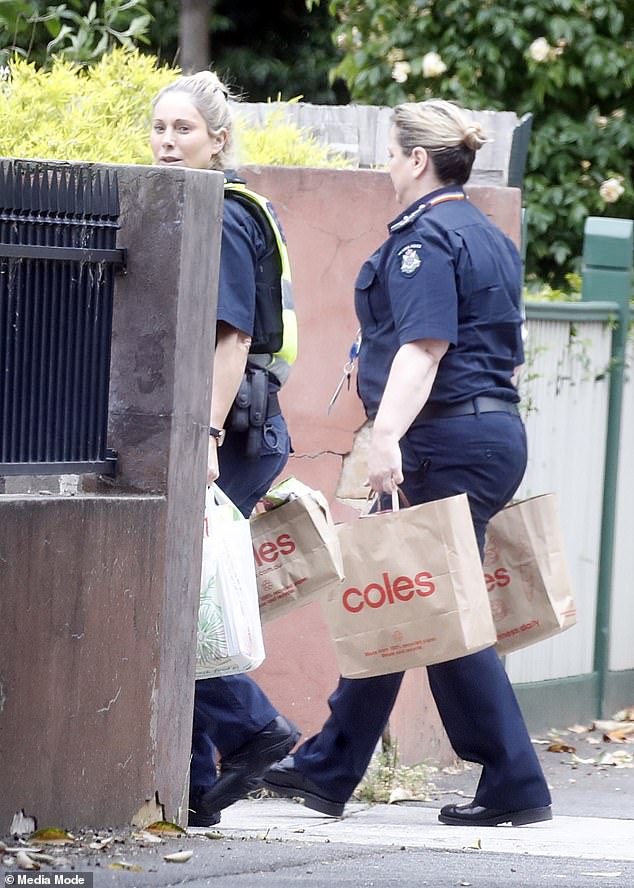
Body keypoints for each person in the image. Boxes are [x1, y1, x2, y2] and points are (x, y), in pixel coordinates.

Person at [261, 99, 552, 827]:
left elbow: (425, 349)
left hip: (445, 436)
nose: (387, 164)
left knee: (439, 607)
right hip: (485, 434)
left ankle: (515, 780)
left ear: (417, 160)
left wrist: (385, 438)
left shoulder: (424, 242)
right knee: (405, 588)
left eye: (392, 152)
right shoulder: (486, 235)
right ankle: (331, 768)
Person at [150, 70, 301, 828]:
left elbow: (232, 335)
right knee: (185, 598)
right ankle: (193, 785)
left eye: (185, 131)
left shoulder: (227, 216)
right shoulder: (202, 204)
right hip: (223, 434)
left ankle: (252, 728)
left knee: (177, 602)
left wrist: (205, 439)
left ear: (218, 140)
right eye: (161, 129)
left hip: (228, 438)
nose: (169, 143)